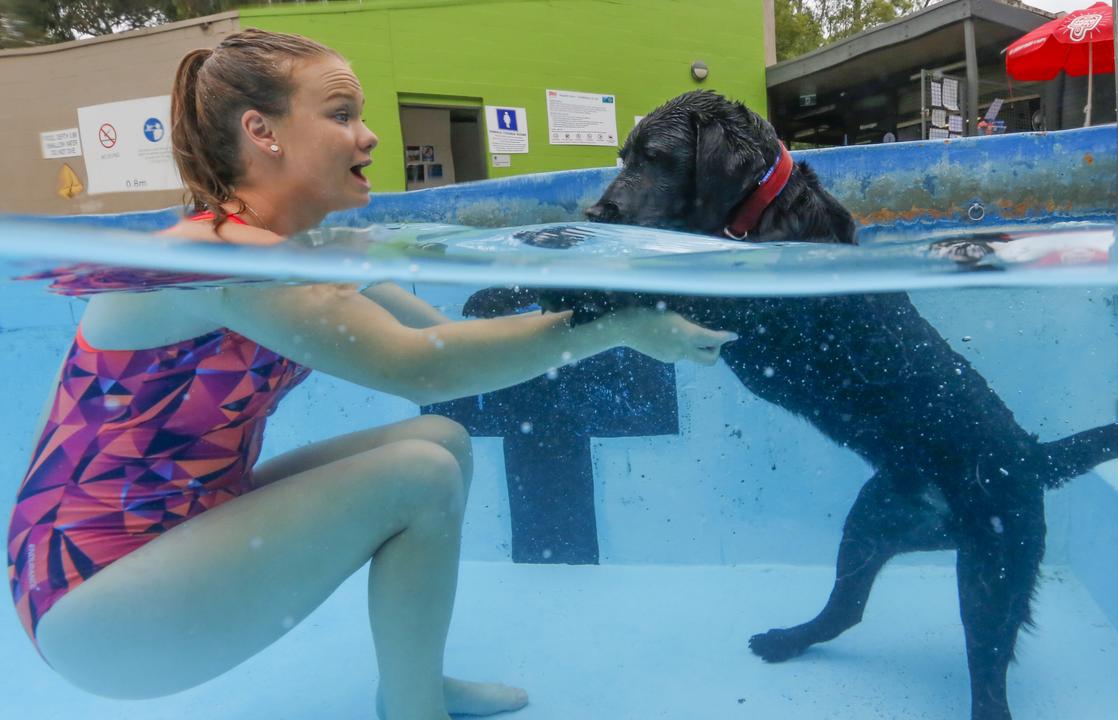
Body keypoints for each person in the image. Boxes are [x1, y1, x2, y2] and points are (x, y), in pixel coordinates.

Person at [6, 29, 735, 720]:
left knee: (440, 439)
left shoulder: (298, 250)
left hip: (177, 537)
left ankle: (412, 686)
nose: (370, 134)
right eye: (341, 113)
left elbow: (445, 337)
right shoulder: (226, 258)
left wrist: (609, 308)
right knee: (417, 474)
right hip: (94, 599)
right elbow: (419, 365)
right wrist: (618, 330)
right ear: (263, 132)